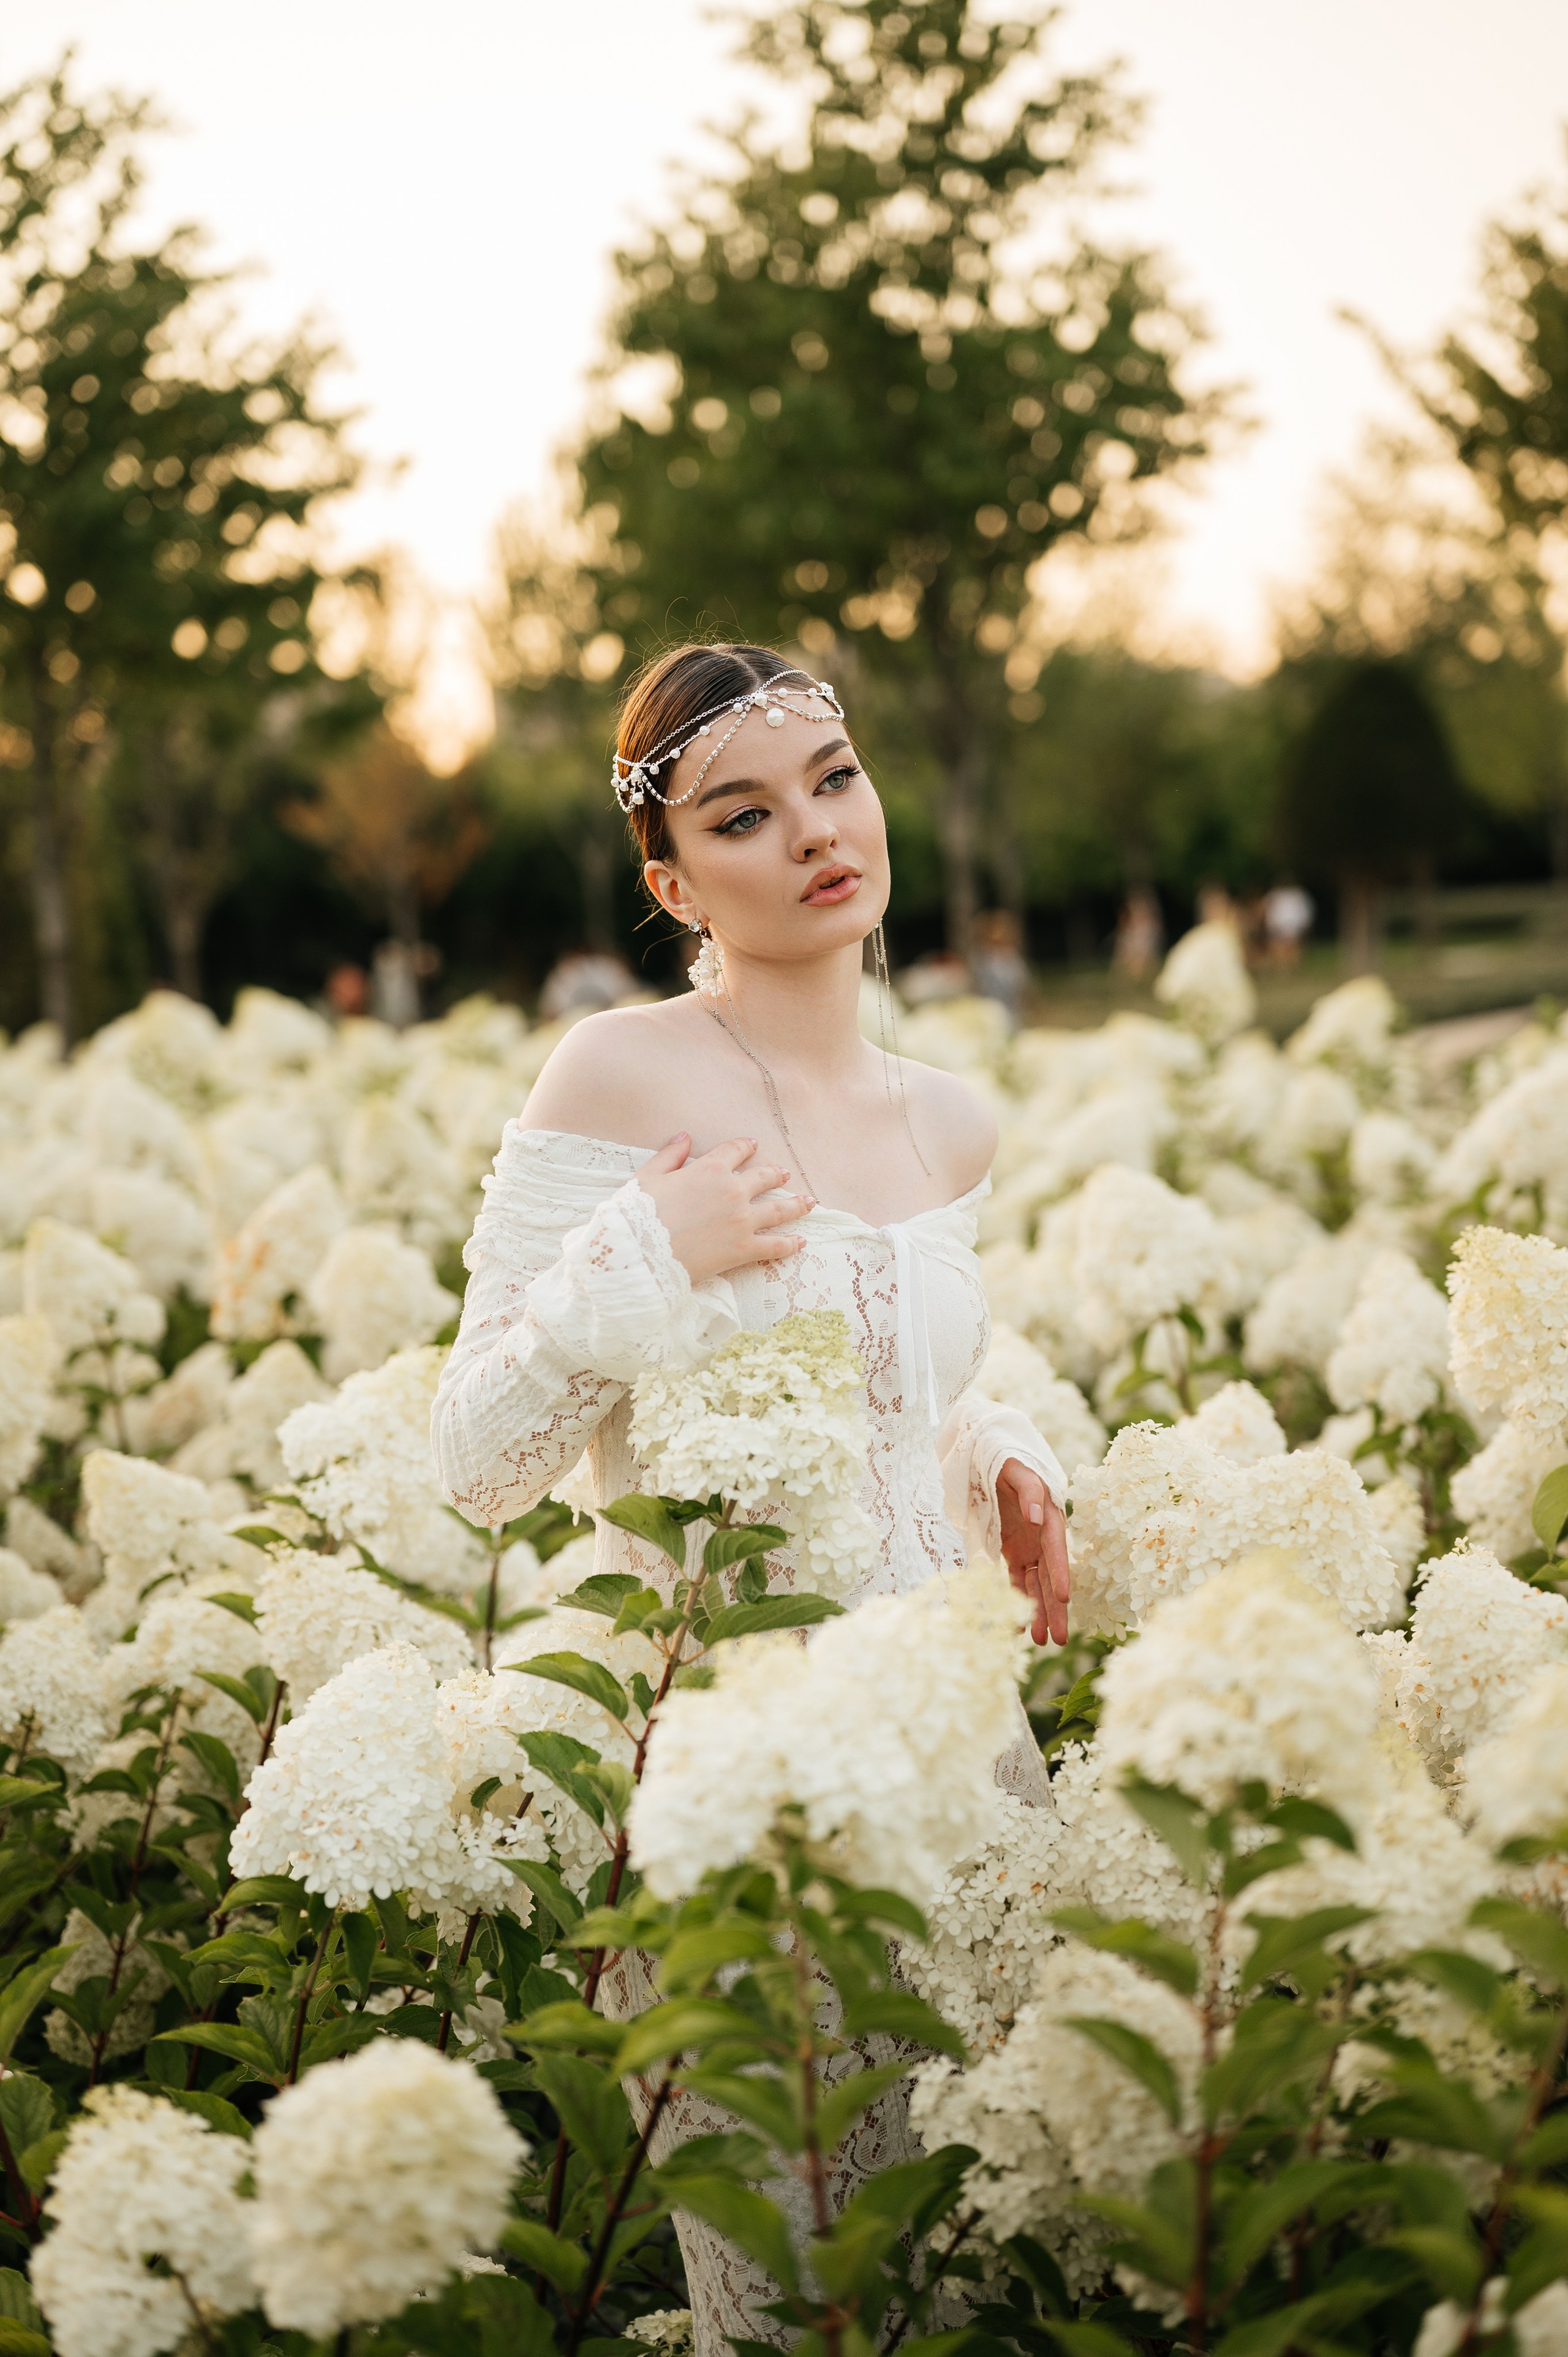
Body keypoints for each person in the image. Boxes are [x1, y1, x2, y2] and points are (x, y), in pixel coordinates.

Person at [431, 641, 1071, 2354]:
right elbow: (475, 1457)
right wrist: (652, 1252)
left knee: (994, 2265)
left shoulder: (951, 1119)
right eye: (742, 814)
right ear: (671, 880)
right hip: (739, 1788)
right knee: (797, 2294)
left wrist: (994, 1450)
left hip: (966, 1756)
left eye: (833, 781)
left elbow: (887, 1374)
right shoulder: (618, 1083)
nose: (811, 833)